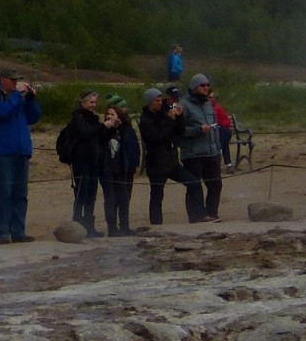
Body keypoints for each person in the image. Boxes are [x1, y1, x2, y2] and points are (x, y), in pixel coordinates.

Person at [0, 69, 42, 244]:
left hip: (21, 151)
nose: (16, 83)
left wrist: (31, 100)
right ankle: (2, 233)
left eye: (17, 80)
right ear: (2, 80)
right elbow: (2, 113)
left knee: (20, 193)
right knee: (5, 192)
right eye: (13, 80)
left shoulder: (18, 100)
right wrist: (18, 96)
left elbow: (34, 117)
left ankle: (18, 231)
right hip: (3, 152)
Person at [139, 86, 201, 225]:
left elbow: (179, 131)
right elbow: (158, 136)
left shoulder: (163, 113)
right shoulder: (145, 120)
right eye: (157, 100)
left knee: (193, 182)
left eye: (161, 99)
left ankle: (198, 215)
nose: (160, 102)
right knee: (157, 195)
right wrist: (170, 121)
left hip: (171, 161)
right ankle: (156, 224)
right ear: (150, 102)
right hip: (156, 162)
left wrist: (178, 117)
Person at [57, 89, 109, 237]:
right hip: (81, 162)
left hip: (93, 162)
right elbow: (86, 133)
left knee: (91, 195)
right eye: (91, 102)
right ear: (82, 102)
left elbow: (99, 137)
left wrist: (108, 129)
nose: (93, 105)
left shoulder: (93, 118)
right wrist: (102, 127)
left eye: (94, 102)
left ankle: (89, 227)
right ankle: (77, 226)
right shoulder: (77, 117)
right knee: (81, 194)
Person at [179, 74, 224, 221]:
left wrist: (218, 149)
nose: (206, 88)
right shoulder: (183, 105)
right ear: (194, 87)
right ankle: (196, 216)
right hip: (193, 154)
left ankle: (211, 213)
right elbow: (178, 130)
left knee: (216, 184)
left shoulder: (207, 104)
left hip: (211, 152)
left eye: (207, 85)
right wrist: (197, 130)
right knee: (194, 186)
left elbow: (215, 128)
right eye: (202, 85)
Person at [101, 97, 141, 237]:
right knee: (110, 199)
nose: (109, 116)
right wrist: (108, 128)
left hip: (123, 169)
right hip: (108, 170)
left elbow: (133, 148)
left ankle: (125, 226)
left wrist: (134, 165)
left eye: (112, 114)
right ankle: (112, 228)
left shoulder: (127, 130)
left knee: (124, 198)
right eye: (108, 114)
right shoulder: (104, 130)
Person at [213, 96, 235, 170]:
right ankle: (228, 164)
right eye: (210, 97)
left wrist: (222, 125)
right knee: (224, 141)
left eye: (213, 97)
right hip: (211, 132)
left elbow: (226, 120)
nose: (212, 99)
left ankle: (220, 150)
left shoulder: (217, 107)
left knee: (224, 134)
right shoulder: (203, 108)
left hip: (221, 131)